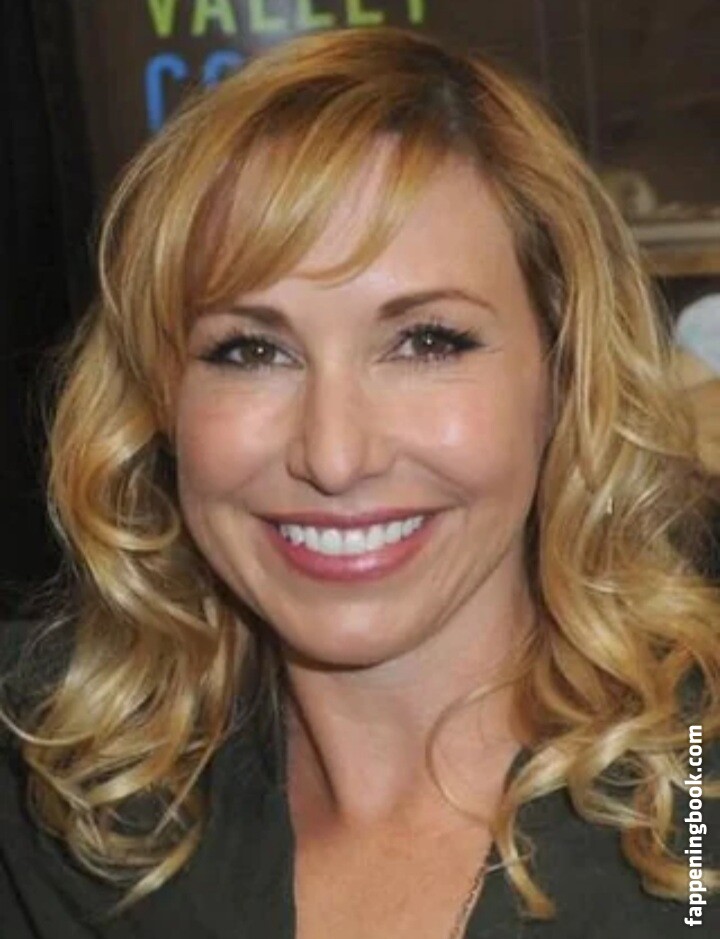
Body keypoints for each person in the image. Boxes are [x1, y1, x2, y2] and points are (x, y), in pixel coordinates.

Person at [1, 27, 718, 939]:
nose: (335, 455)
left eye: (426, 341)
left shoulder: (696, 813)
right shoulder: (49, 789)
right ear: (160, 400)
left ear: (565, 374)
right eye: (250, 350)